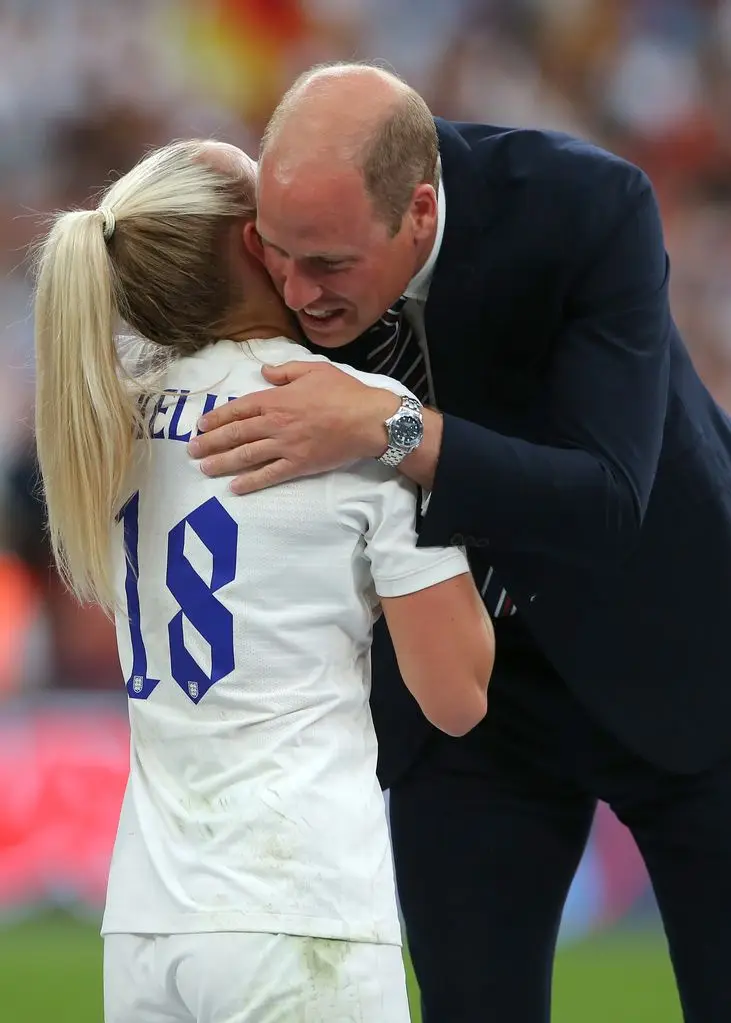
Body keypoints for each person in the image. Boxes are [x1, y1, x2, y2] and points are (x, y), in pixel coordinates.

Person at [189, 63, 731, 1023]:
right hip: (465, 692)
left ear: (422, 213)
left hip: (679, 651)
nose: (296, 292)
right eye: (276, 253)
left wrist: (387, 427)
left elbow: (608, 501)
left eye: (330, 265)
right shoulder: (281, 243)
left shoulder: (585, 205)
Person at [33, 138, 494, 1023]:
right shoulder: (347, 414)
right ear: (257, 243)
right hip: (294, 904)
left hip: (145, 922)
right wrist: (421, 443)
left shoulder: (112, 421)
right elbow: (457, 694)